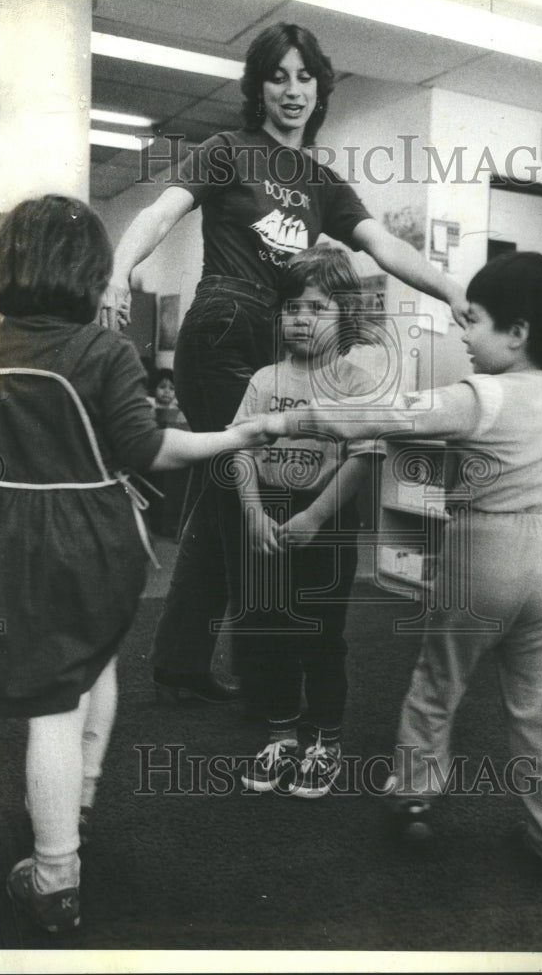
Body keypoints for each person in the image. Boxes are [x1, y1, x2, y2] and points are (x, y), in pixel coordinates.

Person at [111, 21, 469, 707]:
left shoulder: (323, 184)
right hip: (222, 328)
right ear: (258, 88)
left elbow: (386, 251)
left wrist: (450, 289)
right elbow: (162, 210)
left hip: (277, 342)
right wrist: (120, 269)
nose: (292, 90)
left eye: (304, 76)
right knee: (247, 486)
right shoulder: (228, 151)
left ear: (320, 87)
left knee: (225, 491)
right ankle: (258, 668)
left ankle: (187, 657)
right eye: (278, 75)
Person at [0, 194, 284, 934]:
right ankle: (62, 856)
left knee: (50, 689)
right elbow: (152, 450)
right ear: (92, 272)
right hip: (94, 539)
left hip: (8, 534)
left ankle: (61, 837)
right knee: (86, 678)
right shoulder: (102, 351)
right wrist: (237, 436)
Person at [274, 252, 542, 876]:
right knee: (538, 707)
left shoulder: (483, 396)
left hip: (483, 554)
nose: (463, 336)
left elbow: (389, 415)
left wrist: (298, 416)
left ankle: (413, 798)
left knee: (437, 683)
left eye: (473, 322)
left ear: (517, 332)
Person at [231, 245, 387, 797]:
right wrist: (251, 511)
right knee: (269, 631)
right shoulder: (263, 379)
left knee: (320, 636)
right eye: (292, 306)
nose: (301, 317)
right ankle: (280, 736)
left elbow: (364, 458)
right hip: (267, 519)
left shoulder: (355, 382)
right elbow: (241, 448)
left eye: (317, 307)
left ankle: (325, 741)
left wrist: (317, 517)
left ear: (346, 313)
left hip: (326, 522)